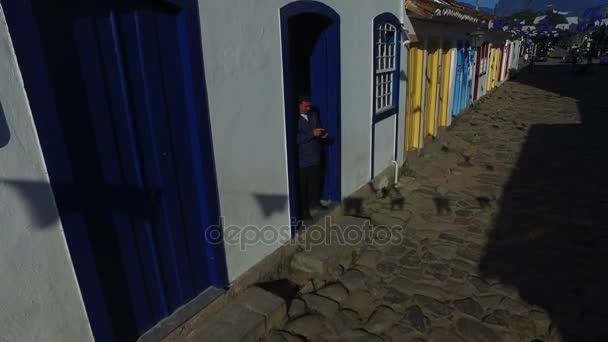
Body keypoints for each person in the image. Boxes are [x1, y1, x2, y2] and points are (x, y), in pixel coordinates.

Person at [296, 97, 328, 220]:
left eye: (309, 106)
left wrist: (322, 134)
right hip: (303, 158)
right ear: (298, 105)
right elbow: (296, 139)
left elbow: (318, 129)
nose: (308, 108)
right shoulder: (294, 119)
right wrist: (312, 134)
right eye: (305, 106)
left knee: (315, 182)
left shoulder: (313, 114)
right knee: (303, 186)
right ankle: (304, 211)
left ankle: (315, 202)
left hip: (316, 154)